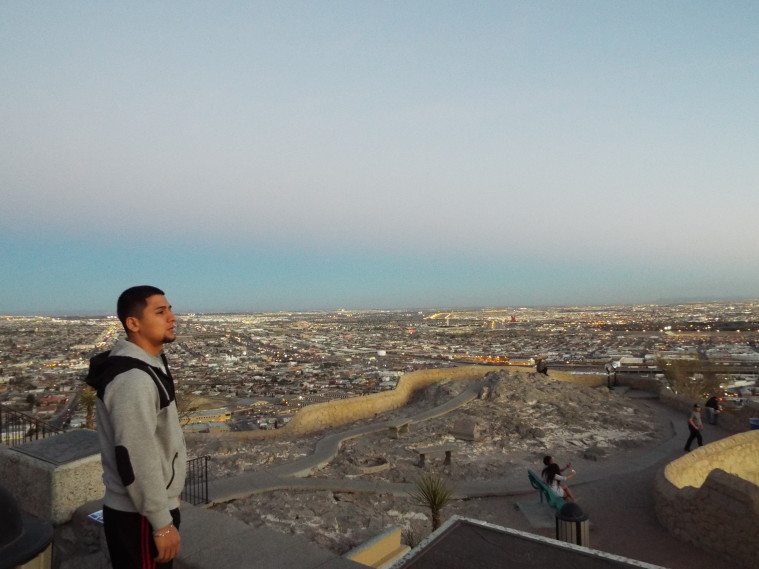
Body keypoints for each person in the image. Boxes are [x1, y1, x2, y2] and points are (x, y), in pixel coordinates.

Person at [86, 286, 187, 569]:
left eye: (170, 309)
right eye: (160, 311)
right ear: (133, 323)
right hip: (140, 516)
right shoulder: (134, 380)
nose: (172, 317)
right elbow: (136, 456)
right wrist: (161, 523)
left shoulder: (150, 365)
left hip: (146, 510)